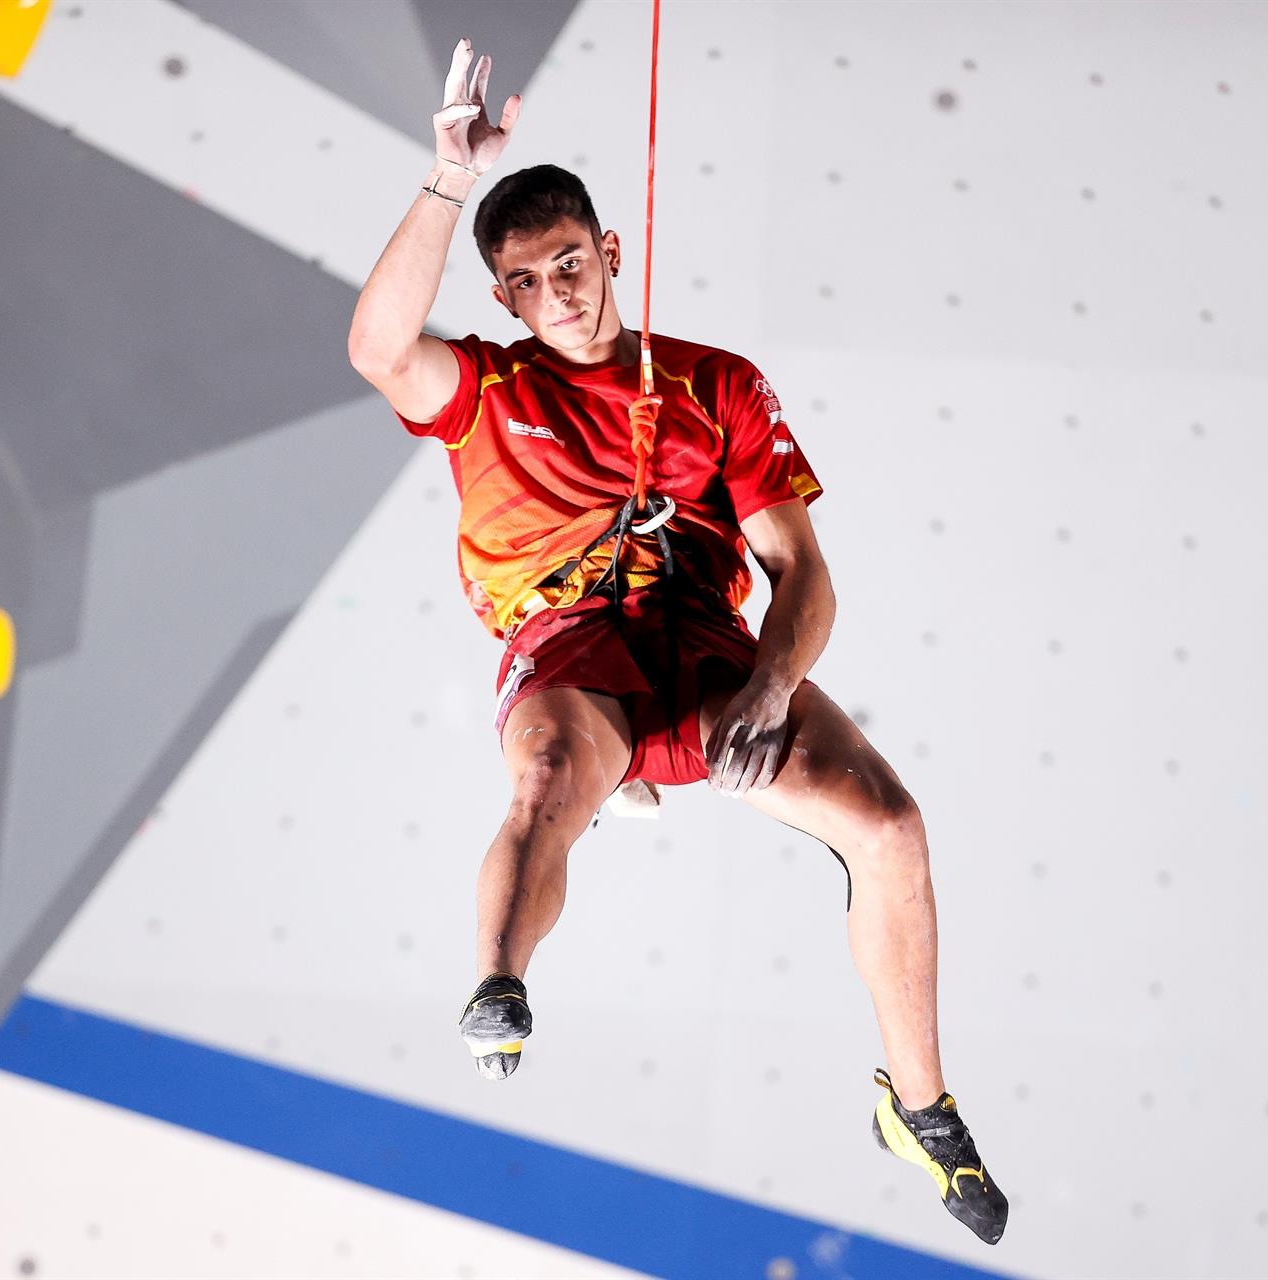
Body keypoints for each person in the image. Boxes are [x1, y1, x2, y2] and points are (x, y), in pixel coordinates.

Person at [346, 39, 1007, 1246]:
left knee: (891, 824)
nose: (559, 294)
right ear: (503, 296)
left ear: (609, 252)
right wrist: (447, 177)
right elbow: (380, 347)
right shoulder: (485, 391)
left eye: (570, 264)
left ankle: (920, 1106)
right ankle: (501, 985)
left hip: (709, 660)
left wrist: (770, 680)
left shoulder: (715, 388)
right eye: (529, 281)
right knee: (547, 778)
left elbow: (802, 572)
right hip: (569, 650)